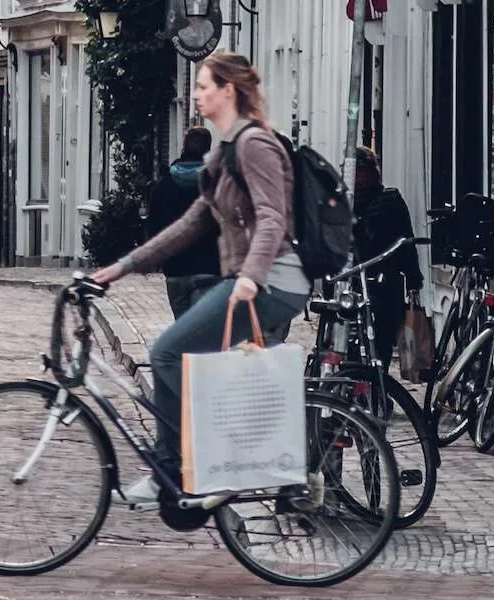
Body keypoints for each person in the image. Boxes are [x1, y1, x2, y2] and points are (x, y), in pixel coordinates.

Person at [89, 52, 310, 507]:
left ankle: (175, 467)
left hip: (272, 282)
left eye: (204, 86)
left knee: (167, 353)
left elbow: (271, 220)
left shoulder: (255, 145)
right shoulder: (225, 152)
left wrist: (249, 278)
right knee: (195, 365)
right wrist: (124, 266)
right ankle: (211, 460)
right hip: (255, 280)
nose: (195, 95)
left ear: (229, 91)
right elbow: (193, 223)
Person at [348, 145, 424, 365]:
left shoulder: (385, 200)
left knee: (372, 344)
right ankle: (372, 387)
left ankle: (366, 387)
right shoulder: (389, 200)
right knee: (378, 345)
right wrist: (413, 280)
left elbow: (406, 243)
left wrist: (413, 281)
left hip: (372, 285)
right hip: (379, 285)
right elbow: (407, 243)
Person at [147, 127, 221, 319]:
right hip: (210, 268)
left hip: (175, 270)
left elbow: (154, 225)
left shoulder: (164, 186)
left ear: (183, 148)